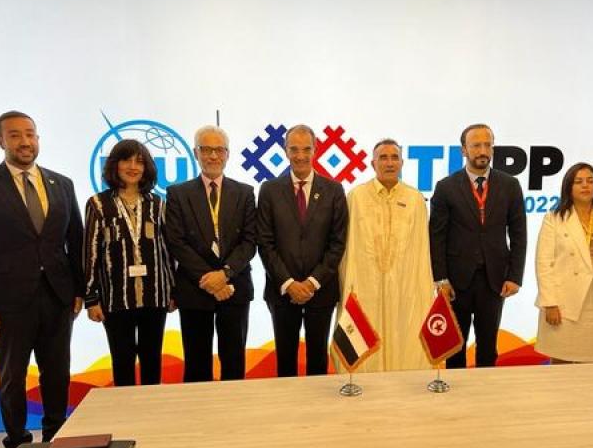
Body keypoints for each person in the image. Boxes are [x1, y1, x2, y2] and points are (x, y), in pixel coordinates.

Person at [0, 111, 83, 448]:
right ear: (0, 141)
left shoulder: (62, 184)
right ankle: (18, 445)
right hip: (6, 304)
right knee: (13, 378)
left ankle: (56, 439)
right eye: (15, 135)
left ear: (38, 138)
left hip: (58, 298)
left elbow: (76, 241)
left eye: (30, 134)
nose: (25, 141)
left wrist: (79, 290)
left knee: (57, 373)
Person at [429, 123, 526, 368]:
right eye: (476, 145)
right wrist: (440, 279)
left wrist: (514, 276)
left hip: (494, 280)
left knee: (488, 347)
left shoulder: (510, 185)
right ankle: (454, 392)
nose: (482, 151)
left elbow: (518, 234)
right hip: (456, 281)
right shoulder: (446, 187)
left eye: (487, 145)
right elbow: (437, 237)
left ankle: (486, 390)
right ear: (464, 150)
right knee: (455, 347)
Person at [165, 125, 256, 381]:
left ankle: (234, 408)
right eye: (206, 149)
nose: (213, 156)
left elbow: (250, 241)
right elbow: (176, 242)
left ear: (228, 154)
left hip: (234, 288)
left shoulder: (245, 193)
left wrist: (224, 275)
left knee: (234, 362)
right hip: (195, 289)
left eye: (219, 150)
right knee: (196, 364)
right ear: (196, 153)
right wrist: (209, 279)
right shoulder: (178, 194)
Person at [257, 124, 348, 377]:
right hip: (282, 291)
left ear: (315, 150)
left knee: (318, 360)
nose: (300, 156)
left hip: (321, 291)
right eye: (294, 149)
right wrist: (289, 283)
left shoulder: (334, 190)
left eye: (306, 149)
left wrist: (311, 282)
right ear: (285, 150)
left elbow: (337, 243)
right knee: (285, 360)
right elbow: (265, 242)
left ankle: (316, 405)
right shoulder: (269, 190)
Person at [84, 139, 175, 386]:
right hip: (116, 298)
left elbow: (168, 250)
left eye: (139, 162)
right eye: (126, 160)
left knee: (152, 360)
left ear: (147, 168)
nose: (133, 167)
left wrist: (173, 290)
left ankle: (151, 410)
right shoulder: (98, 204)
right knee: (122, 361)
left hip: (155, 296)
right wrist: (91, 299)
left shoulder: (158, 204)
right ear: (115, 165)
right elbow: (91, 252)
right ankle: (124, 411)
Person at [337, 138, 432, 372]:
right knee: (364, 339)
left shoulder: (415, 199)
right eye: (383, 158)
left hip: (404, 287)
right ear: (373, 163)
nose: (389, 163)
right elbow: (346, 247)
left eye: (394, 158)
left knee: (405, 337)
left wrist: (422, 288)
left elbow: (422, 248)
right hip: (365, 285)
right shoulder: (356, 197)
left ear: (402, 163)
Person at [534, 162, 593, 363]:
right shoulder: (554, 219)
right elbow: (544, 264)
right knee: (561, 366)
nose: (585, 185)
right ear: (568, 186)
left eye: (590, 181)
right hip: (564, 305)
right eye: (578, 182)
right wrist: (549, 303)